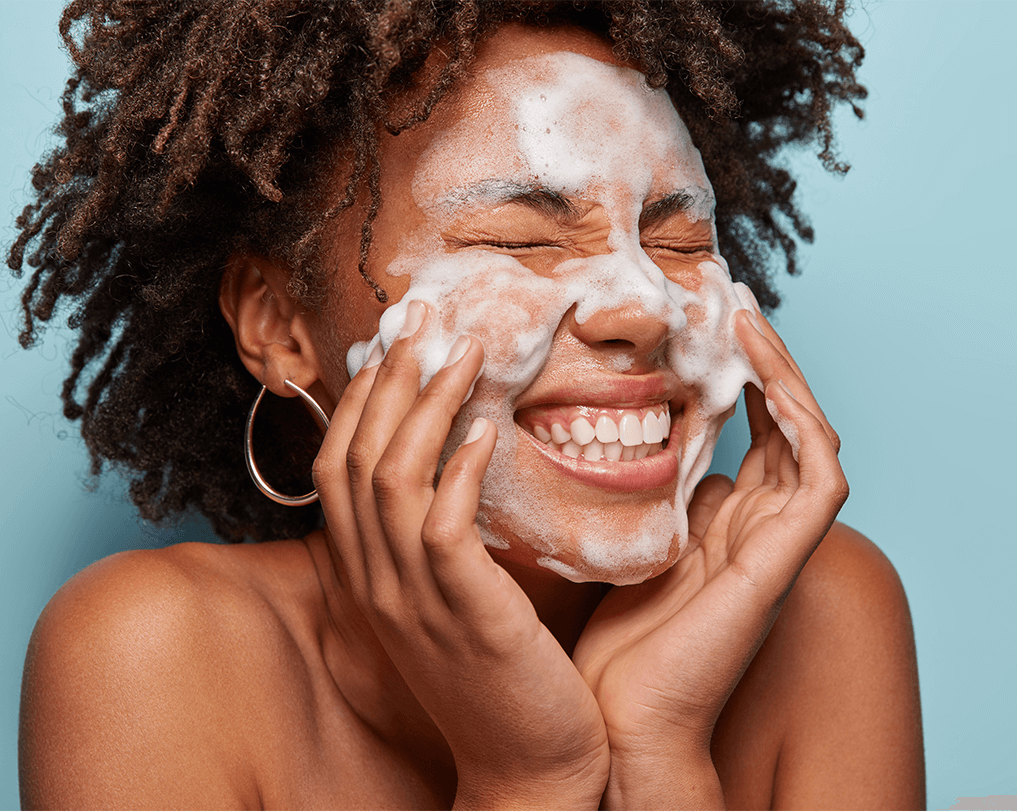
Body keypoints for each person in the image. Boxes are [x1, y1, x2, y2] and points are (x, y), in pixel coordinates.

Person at [10, 1, 924, 808]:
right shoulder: (150, 658)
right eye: (518, 239)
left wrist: (660, 757)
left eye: (679, 239)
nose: (641, 305)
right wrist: (531, 782)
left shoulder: (822, 611)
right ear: (279, 325)